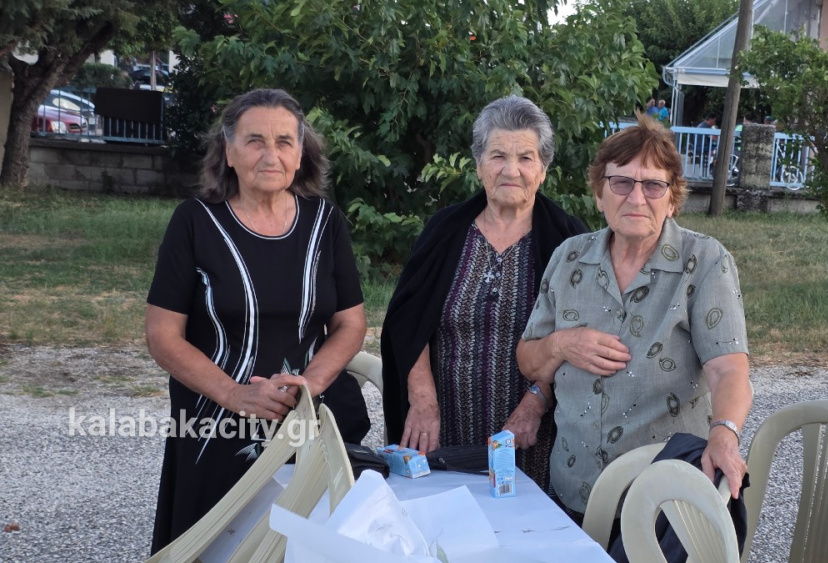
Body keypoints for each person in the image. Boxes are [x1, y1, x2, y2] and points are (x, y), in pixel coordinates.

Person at [146, 88, 369, 552]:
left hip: (311, 418)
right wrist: (236, 394)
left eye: (285, 141)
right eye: (254, 141)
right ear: (228, 151)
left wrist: (308, 385)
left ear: (301, 153)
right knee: (220, 548)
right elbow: (163, 335)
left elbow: (351, 324)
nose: (271, 155)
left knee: (310, 548)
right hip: (217, 420)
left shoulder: (326, 221)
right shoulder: (194, 222)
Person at [517, 114, 752, 518]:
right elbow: (529, 359)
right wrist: (562, 344)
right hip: (574, 488)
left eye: (653, 185)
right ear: (599, 194)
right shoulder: (568, 258)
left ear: (673, 200)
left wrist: (724, 434)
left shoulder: (704, 261)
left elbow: (728, 369)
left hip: (664, 501)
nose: (637, 198)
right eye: (621, 182)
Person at [381, 96, 588, 489]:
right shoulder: (445, 231)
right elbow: (408, 319)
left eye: (525, 158)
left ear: (543, 170)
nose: (511, 170)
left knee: (526, 521)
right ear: (478, 165)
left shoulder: (569, 240)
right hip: (442, 428)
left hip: (530, 434)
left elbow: (576, 337)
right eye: (498, 156)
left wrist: (536, 402)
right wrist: (422, 398)